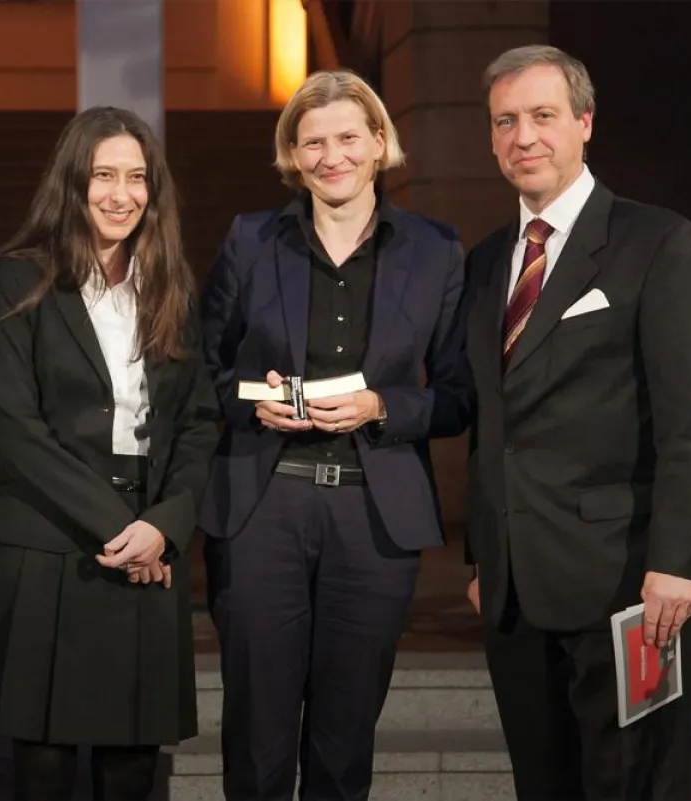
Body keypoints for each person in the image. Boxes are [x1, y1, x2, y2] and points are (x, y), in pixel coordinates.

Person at [462, 45, 691, 801]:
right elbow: (493, 418)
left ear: (584, 122)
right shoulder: (485, 263)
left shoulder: (660, 243)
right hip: (514, 591)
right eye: (505, 121)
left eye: (543, 116)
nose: (524, 137)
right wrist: (484, 557)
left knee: (636, 786)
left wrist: (680, 559)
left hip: (630, 586)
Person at [198, 69, 473, 800]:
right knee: (256, 737)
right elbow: (202, 372)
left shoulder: (437, 250)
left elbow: (457, 396)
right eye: (311, 141)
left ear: (379, 142)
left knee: (346, 736)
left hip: (374, 516)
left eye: (348, 137)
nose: (331, 155)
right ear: (292, 153)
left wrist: (382, 405)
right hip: (264, 509)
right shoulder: (251, 240)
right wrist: (251, 402)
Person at [0, 106, 220, 801]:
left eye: (137, 177)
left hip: (148, 542)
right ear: (71, 183)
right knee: (42, 765)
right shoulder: (17, 281)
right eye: (103, 175)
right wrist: (121, 530)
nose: (120, 193)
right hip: (50, 540)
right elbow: (16, 432)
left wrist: (163, 526)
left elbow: (198, 422)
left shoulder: (173, 288)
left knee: (131, 766)